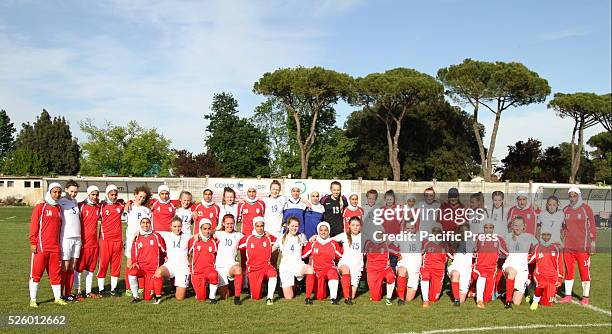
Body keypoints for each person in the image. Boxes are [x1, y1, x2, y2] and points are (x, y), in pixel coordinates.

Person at [29, 183, 66, 307]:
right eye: (54, 192)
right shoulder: (41, 206)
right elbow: (34, 225)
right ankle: (33, 300)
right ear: (49, 192)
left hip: (55, 248)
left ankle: (57, 298)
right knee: (36, 274)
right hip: (41, 247)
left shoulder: (59, 208)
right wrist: (33, 242)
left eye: (59, 192)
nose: (57, 194)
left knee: (55, 274)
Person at [559, 187, 597, 305]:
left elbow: (592, 226)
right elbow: (562, 227)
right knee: (569, 272)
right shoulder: (565, 210)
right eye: (570, 196)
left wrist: (593, 242)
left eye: (575, 196)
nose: (572, 198)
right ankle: (568, 296)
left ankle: (585, 297)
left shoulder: (586, 209)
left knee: (584, 271)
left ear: (579, 196)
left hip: (582, 247)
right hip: (568, 247)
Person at [238, 217, 278, 305]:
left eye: (262, 226)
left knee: (273, 273)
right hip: (253, 269)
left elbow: (281, 240)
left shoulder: (269, 237)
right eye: (257, 226)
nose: (260, 228)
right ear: (254, 226)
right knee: (255, 297)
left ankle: (270, 298)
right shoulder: (247, 238)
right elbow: (237, 246)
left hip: (266, 266)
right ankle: (261, 286)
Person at [274, 216, 314, 302]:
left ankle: (308, 297)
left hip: (298, 265)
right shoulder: (281, 237)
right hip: (285, 268)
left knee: (310, 269)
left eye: (296, 226)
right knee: (289, 297)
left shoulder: (302, 236)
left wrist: (312, 239)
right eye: (292, 226)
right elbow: (271, 250)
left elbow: (308, 248)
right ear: (287, 226)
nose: (294, 228)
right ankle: (294, 285)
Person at [127, 216, 166, 304]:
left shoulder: (156, 235)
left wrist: (163, 264)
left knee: (148, 298)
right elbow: (134, 251)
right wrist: (134, 262)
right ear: (140, 224)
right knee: (131, 272)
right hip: (141, 267)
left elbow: (164, 251)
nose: (145, 225)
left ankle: (154, 291)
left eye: (147, 222)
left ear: (150, 224)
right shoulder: (137, 236)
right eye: (143, 223)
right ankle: (135, 296)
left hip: (152, 270)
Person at [302, 222, 342, 304]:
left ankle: (333, 298)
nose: (323, 232)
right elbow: (303, 255)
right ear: (318, 231)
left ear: (329, 231)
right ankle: (309, 297)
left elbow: (341, 255)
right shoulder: (313, 242)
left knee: (333, 272)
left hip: (329, 268)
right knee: (320, 296)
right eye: (321, 230)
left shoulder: (333, 243)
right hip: (317, 271)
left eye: (325, 230)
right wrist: (309, 242)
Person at [502, 217, 537, 308]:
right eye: (515, 225)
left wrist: (531, 257)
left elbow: (539, 248)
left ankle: (510, 291)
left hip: (523, 270)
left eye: (520, 225)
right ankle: (508, 302)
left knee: (517, 302)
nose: (517, 227)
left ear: (524, 226)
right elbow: (500, 248)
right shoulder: (507, 237)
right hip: (509, 265)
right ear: (512, 226)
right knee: (512, 272)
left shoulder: (529, 237)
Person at [124, 186, 152, 297]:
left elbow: (149, 225)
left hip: (143, 239)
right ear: (135, 195)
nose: (141, 199)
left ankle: (141, 286)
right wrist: (127, 202)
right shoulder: (129, 207)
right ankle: (128, 287)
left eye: (144, 197)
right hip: (131, 239)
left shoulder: (147, 210)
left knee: (141, 262)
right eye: (140, 196)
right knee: (130, 262)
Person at [97, 184, 125, 296]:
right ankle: (101, 289)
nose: (113, 196)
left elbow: (133, 202)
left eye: (115, 194)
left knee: (116, 265)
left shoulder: (120, 205)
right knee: (103, 265)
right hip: (105, 240)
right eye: (111, 194)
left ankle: (113, 289)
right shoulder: (101, 206)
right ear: (107, 194)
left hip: (118, 240)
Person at [74, 186, 101, 299]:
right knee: (79, 269)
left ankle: (89, 292)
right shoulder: (80, 206)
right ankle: (78, 291)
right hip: (83, 244)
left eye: (96, 195)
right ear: (88, 194)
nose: (94, 197)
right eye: (92, 194)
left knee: (90, 269)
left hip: (94, 244)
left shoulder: (98, 207)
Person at [473, 221, 508, 308]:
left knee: (488, 299)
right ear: (483, 228)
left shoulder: (499, 239)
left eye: (490, 227)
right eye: (486, 227)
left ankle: (478, 294)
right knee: (482, 277)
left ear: (494, 229)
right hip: (479, 267)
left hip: (492, 269)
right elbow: (473, 249)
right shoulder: (478, 237)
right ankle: (479, 301)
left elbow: (506, 252)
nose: (488, 230)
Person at [156, 216, 190, 300]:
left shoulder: (188, 237)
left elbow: (201, 236)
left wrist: (197, 235)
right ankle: (157, 296)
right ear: (170, 227)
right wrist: (138, 231)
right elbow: (150, 231)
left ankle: (184, 285)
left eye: (179, 226)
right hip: (170, 266)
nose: (177, 229)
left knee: (179, 297)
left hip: (183, 268)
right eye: (174, 226)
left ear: (182, 226)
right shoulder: (166, 235)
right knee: (158, 272)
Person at [58, 180, 81, 301]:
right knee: (65, 267)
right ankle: (60, 294)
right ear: (66, 189)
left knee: (72, 266)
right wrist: (41, 201)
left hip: (77, 238)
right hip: (66, 238)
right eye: (71, 191)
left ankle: (68, 293)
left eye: (75, 192)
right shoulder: (60, 201)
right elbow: (48, 202)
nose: (73, 194)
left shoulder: (75, 202)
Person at [529, 230, 564, 310]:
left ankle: (539, 294)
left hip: (552, 277)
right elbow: (530, 260)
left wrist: (559, 278)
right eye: (544, 235)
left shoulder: (556, 248)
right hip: (540, 275)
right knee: (540, 286)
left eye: (548, 235)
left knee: (546, 304)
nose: (546, 237)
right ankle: (535, 301)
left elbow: (559, 265)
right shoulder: (537, 247)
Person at [214, 214, 244, 305]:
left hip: (231, 265)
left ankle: (237, 297)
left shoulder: (239, 235)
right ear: (223, 223)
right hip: (220, 267)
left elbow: (251, 238)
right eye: (227, 223)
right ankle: (230, 285)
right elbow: (206, 233)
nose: (229, 226)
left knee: (238, 269)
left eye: (231, 223)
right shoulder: (218, 234)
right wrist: (196, 234)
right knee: (225, 296)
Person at [420, 227, 452, 308]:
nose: (436, 233)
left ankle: (430, 296)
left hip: (439, 271)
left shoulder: (445, 245)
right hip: (427, 268)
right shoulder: (427, 242)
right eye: (434, 232)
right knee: (425, 276)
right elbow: (421, 254)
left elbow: (452, 257)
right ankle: (425, 300)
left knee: (434, 299)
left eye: (438, 232)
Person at [188, 220, 219, 303]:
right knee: (201, 298)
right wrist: (190, 267)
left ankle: (212, 297)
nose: (207, 231)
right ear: (200, 229)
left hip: (209, 269)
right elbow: (188, 254)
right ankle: (204, 289)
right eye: (204, 228)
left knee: (214, 275)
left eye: (209, 228)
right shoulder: (193, 240)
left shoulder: (214, 240)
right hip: (197, 272)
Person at [364, 231, 398, 305]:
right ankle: (377, 291)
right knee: (375, 299)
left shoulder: (386, 245)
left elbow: (397, 253)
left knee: (391, 277)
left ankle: (388, 298)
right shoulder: (367, 245)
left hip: (385, 269)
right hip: (373, 271)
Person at [334, 216, 363, 305]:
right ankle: (342, 289)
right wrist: (315, 237)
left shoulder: (364, 237)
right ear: (349, 226)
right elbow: (330, 240)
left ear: (360, 226)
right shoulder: (344, 235)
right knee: (346, 270)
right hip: (344, 264)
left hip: (357, 267)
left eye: (357, 225)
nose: (355, 227)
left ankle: (342, 289)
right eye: (353, 225)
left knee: (352, 296)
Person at [448, 224, 474, 305]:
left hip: (466, 271)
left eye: (466, 231)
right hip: (456, 267)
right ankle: (456, 300)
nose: (464, 233)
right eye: (462, 231)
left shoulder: (473, 242)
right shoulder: (454, 242)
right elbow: (448, 253)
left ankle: (456, 291)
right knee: (455, 274)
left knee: (462, 300)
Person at [396, 222, 422, 304]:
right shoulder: (400, 237)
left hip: (415, 269)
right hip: (403, 264)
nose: (410, 230)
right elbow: (390, 246)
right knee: (402, 271)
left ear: (415, 229)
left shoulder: (420, 237)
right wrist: (397, 254)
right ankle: (400, 298)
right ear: (404, 229)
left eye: (412, 228)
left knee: (409, 298)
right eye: (408, 228)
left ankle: (400, 288)